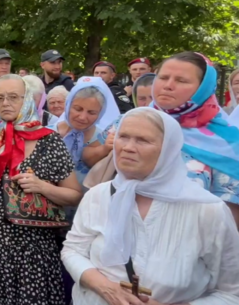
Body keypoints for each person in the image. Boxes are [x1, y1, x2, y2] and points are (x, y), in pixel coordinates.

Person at [62, 108, 239, 305]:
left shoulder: (206, 209)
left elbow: (231, 292)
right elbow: (73, 250)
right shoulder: (98, 195)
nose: (128, 147)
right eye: (123, 137)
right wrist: (104, 287)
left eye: (142, 140)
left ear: (168, 150)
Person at [0, 74, 82, 305]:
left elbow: (74, 195)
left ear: (27, 100)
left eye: (13, 97)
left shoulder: (50, 142)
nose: (5, 103)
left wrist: (42, 186)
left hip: (34, 252)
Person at [91, 52, 239, 226]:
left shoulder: (228, 141)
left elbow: (229, 220)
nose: (168, 86)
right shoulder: (128, 121)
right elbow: (89, 159)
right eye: (163, 77)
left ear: (203, 87)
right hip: (117, 235)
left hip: (191, 243)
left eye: (181, 80)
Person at [51, 77, 121, 193]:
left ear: (100, 113)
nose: (83, 117)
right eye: (78, 109)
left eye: (91, 112)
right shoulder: (45, 134)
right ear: (68, 106)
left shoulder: (105, 140)